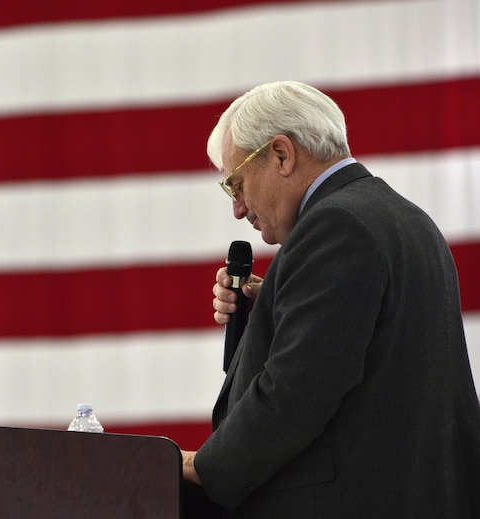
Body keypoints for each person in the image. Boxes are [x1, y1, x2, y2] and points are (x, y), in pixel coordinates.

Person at [180, 81, 480, 517]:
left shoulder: (336, 227)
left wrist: (203, 467)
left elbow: (293, 396)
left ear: (282, 154)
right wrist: (272, 309)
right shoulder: (406, 218)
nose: (238, 208)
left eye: (236, 183)